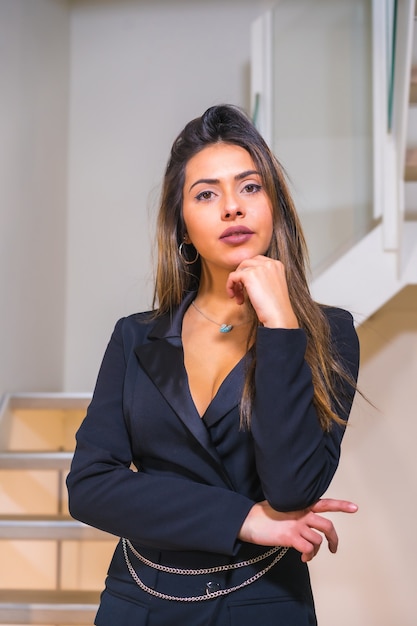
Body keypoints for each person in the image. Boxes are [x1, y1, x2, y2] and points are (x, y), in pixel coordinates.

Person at [67, 104, 360, 626]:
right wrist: (245, 518)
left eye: (250, 187)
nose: (232, 207)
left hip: (262, 600)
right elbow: (90, 487)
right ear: (182, 222)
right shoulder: (134, 337)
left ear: (275, 207)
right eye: (206, 193)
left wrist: (281, 327)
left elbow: (292, 488)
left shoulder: (327, 334)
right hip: (138, 599)